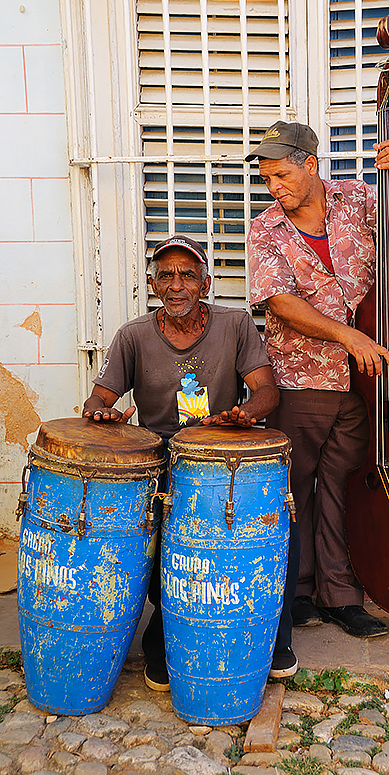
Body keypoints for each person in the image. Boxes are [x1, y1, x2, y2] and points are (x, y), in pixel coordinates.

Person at [82, 235, 297, 687]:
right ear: (153, 283)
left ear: (205, 282)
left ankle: (274, 640)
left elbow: (267, 391)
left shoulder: (235, 324)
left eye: (187, 274)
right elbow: (101, 396)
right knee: (161, 539)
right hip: (160, 456)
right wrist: (99, 411)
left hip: (219, 453)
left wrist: (246, 413)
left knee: (281, 530)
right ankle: (162, 641)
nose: (176, 284)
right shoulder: (133, 335)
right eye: (166, 275)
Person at [246, 120, 389, 638]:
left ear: (311, 165)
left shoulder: (359, 199)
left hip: (367, 380)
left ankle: (342, 596)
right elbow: (278, 300)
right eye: (267, 178)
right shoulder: (266, 229)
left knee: (344, 487)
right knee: (294, 485)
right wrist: (348, 337)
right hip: (302, 375)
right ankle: (296, 592)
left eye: (281, 175)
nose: (274, 187)